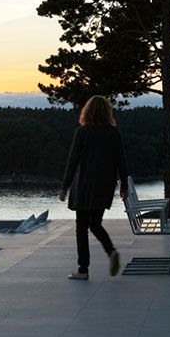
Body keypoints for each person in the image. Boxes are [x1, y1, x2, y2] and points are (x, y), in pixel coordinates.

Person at [60, 95, 129, 280]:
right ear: (107, 112)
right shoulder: (114, 133)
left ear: (87, 111)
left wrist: (65, 186)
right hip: (104, 185)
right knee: (95, 224)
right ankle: (111, 251)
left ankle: (83, 269)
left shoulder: (82, 132)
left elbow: (73, 161)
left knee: (81, 228)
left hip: (84, 185)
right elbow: (121, 161)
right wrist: (124, 186)